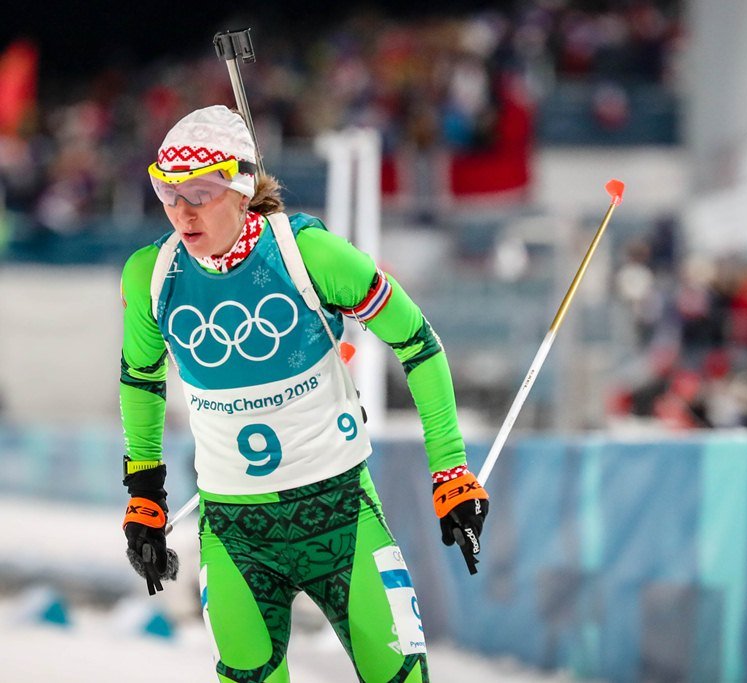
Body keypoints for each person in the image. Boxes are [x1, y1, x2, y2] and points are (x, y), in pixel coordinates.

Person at [119, 105, 489, 682]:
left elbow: (419, 343)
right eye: (167, 192)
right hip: (235, 533)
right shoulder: (151, 275)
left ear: (242, 189)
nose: (182, 212)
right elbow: (141, 380)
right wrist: (145, 494)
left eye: (200, 194)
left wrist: (451, 471)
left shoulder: (309, 254)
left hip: (339, 516)